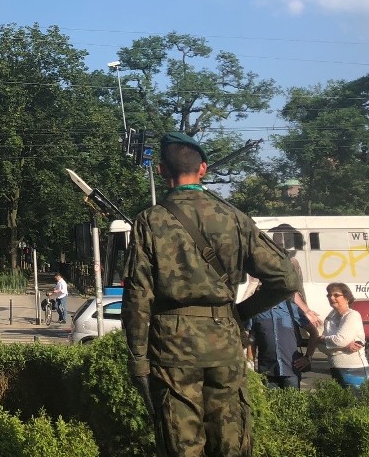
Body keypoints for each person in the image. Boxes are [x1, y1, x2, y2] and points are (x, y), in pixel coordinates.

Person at [122, 132, 300, 457]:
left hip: (171, 350)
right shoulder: (234, 218)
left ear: (162, 171)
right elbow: (286, 279)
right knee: (232, 443)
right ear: (203, 169)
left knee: (181, 447)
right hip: (225, 344)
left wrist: (137, 359)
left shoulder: (149, 222)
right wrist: (242, 312)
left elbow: (137, 298)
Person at [248, 299, 314, 389]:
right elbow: (252, 339)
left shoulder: (291, 308)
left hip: (291, 369)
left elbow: (314, 333)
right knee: (271, 402)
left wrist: (307, 357)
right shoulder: (257, 311)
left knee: (293, 402)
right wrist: (250, 364)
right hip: (268, 370)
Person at [318, 282, 368, 390]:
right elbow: (320, 347)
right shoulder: (329, 318)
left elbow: (340, 340)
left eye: (336, 295)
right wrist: (344, 348)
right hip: (335, 367)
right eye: (329, 295)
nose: (331, 298)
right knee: (341, 404)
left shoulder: (352, 315)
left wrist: (324, 340)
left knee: (355, 404)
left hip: (354, 369)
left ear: (347, 298)